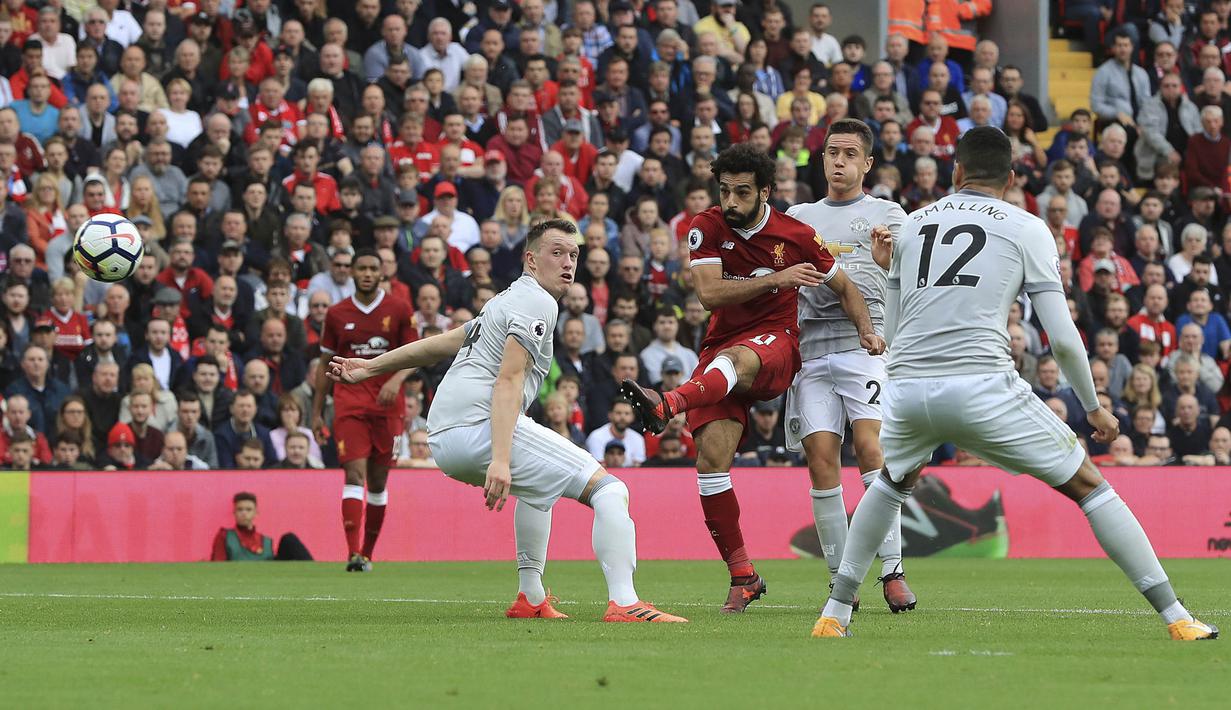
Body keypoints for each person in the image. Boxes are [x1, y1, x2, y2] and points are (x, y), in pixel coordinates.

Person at [812, 127, 1217, 642]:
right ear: (1010, 179)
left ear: (955, 172)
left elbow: (890, 335)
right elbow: (1063, 337)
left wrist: (888, 270)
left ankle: (834, 612)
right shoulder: (1026, 227)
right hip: (982, 385)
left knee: (890, 484)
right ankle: (1176, 617)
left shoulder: (911, 227)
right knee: (1090, 486)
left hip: (909, 390)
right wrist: (1092, 407)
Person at [328, 219, 686, 623]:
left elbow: (443, 343)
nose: (568, 263)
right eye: (557, 253)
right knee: (609, 490)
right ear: (531, 260)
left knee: (539, 491)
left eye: (573, 254)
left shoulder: (504, 300)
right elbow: (509, 380)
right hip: (477, 428)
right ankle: (625, 601)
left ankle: (530, 597)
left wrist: (371, 367)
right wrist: (499, 458)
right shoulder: (538, 302)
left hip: (445, 437)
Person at [619, 143, 881, 613]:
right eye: (725, 191)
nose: (732, 202)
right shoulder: (707, 226)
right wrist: (777, 279)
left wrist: (867, 330)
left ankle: (667, 405)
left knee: (737, 359)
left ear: (764, 192)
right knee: (710, 464)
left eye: (742, 192)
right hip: (720, 352)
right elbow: (709, 295)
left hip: (776, 345)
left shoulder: (797, 235)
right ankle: (744, 575)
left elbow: (846, 287)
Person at [784, 118, 915, 612]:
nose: (839, 162)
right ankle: (842, 580)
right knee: (820, 459)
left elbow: (910, 277)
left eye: (848, 154)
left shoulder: (888, 213)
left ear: (866, 163)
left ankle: (893, 569)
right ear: (822, 160)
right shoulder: (798, 216)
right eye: (831, 153)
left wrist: (885, 260)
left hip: (867, 348)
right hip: (812, 349)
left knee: (870, 448)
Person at [313, 249, 415, 572]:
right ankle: (353, 553)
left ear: (382, 272)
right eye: (362, 268)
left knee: (379, 480)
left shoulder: (399, 309)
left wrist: (395, 380)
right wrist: (317, 411)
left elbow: (414, 354)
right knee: (354, 473)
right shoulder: (337, 313)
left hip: (387, 407)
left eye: (374, 268)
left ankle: (368, 552)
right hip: (349, 403)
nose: (368, 273)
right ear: (352, 273)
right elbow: (324, 363)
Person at [209, 491, 313, 561]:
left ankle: (315, 574)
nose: (244, 513)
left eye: (248, 509)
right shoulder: (224, 536)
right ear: (234, 513)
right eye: (240, 509)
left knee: (289, 539)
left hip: (268, 576)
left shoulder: (266, 540)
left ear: (256, 513)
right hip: (240, 579)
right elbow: (218, 565)